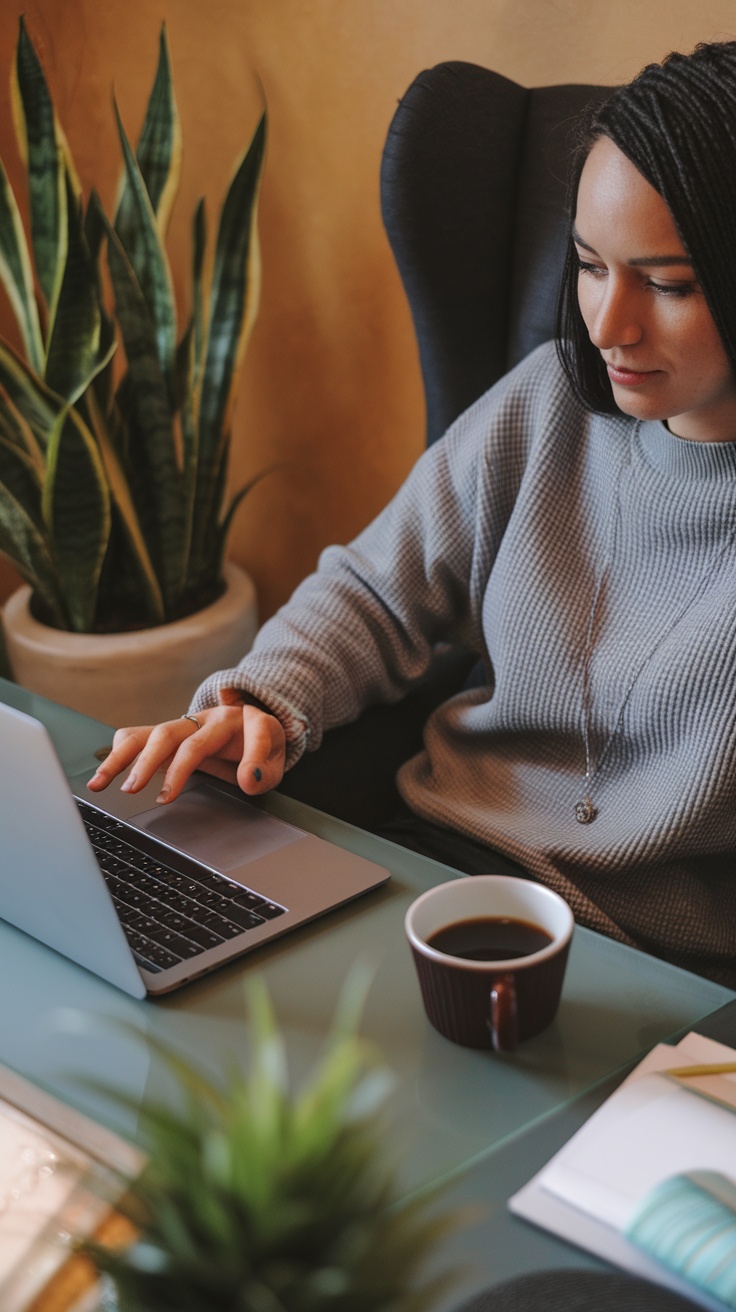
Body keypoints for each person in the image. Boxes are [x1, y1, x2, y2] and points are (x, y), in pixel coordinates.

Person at [90, 40, 736, 987]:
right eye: (591, 266)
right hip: (431, 875)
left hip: (647, 972)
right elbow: (374, 591)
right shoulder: (552, 400)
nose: (606, 326)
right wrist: (265, 699)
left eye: (668, 284)